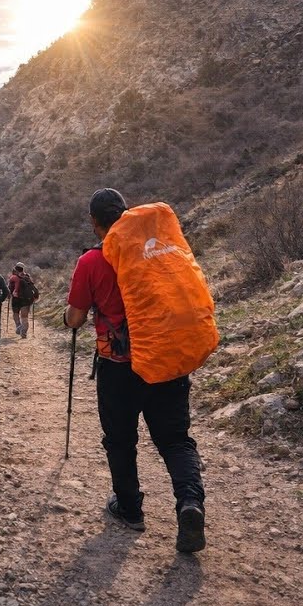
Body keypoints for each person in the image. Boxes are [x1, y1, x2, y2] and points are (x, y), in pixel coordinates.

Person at [62, 188, 207, 553]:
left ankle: (130, 509)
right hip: (163, 357)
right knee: (175, 439)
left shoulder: (91, 262)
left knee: (121, 439)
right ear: (125, 214)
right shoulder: (155, 248)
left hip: (119, 367)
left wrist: (71, 316)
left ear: (95, 223)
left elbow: (76, 318)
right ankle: (190, 503)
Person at [7, 262, 37, 339]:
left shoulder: (13, 277)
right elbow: (33, 286)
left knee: (15, 313)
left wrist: (8, 295)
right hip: (26, 299)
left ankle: (18, 326)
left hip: (16, 298)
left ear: (15, 268)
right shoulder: (27, 277)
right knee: (24, 316)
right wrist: (35, 296)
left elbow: (9, 288)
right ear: (23, 269)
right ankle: (24, 332)